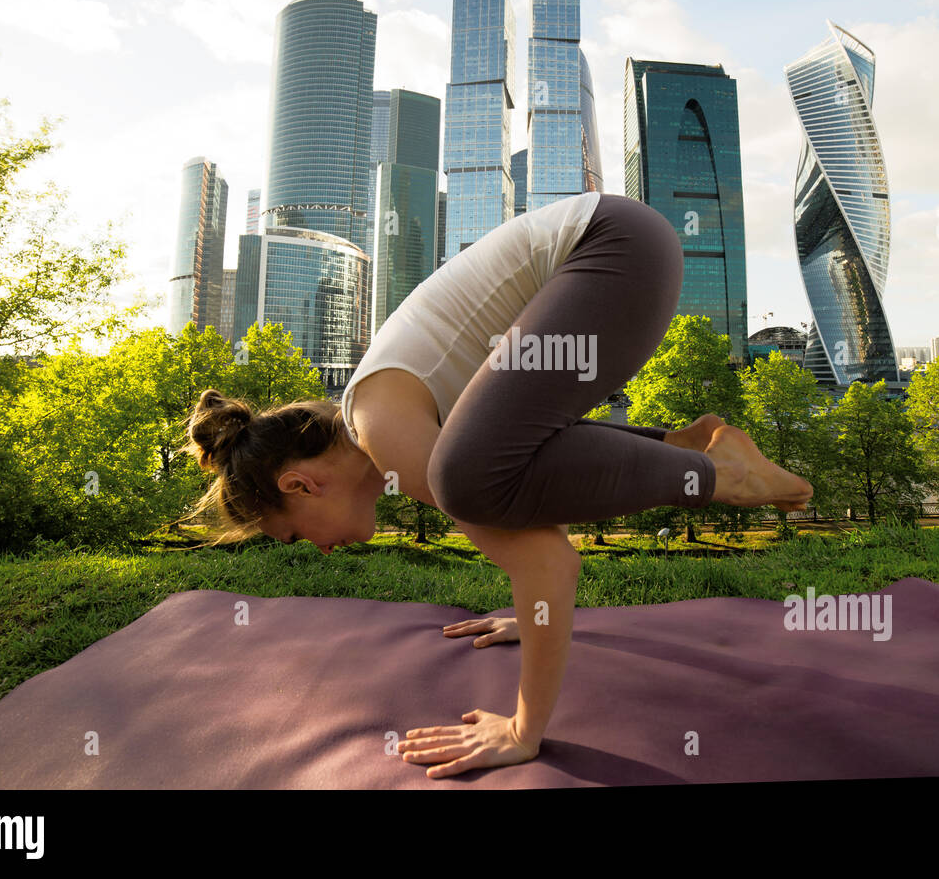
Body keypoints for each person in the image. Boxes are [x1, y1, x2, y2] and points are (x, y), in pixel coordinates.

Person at [182, 191, 813, 779]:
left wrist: (522, 729)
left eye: (291, 536)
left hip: (611, 251)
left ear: (300, 485)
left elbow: (548, 561)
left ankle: (717, 473)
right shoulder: (395, 421)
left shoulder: (382, 428)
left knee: (465, 480)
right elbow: (533, 493)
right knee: (483, 469)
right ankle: (688, 447)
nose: (314, 550)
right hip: (623, 251)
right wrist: (532, 613)